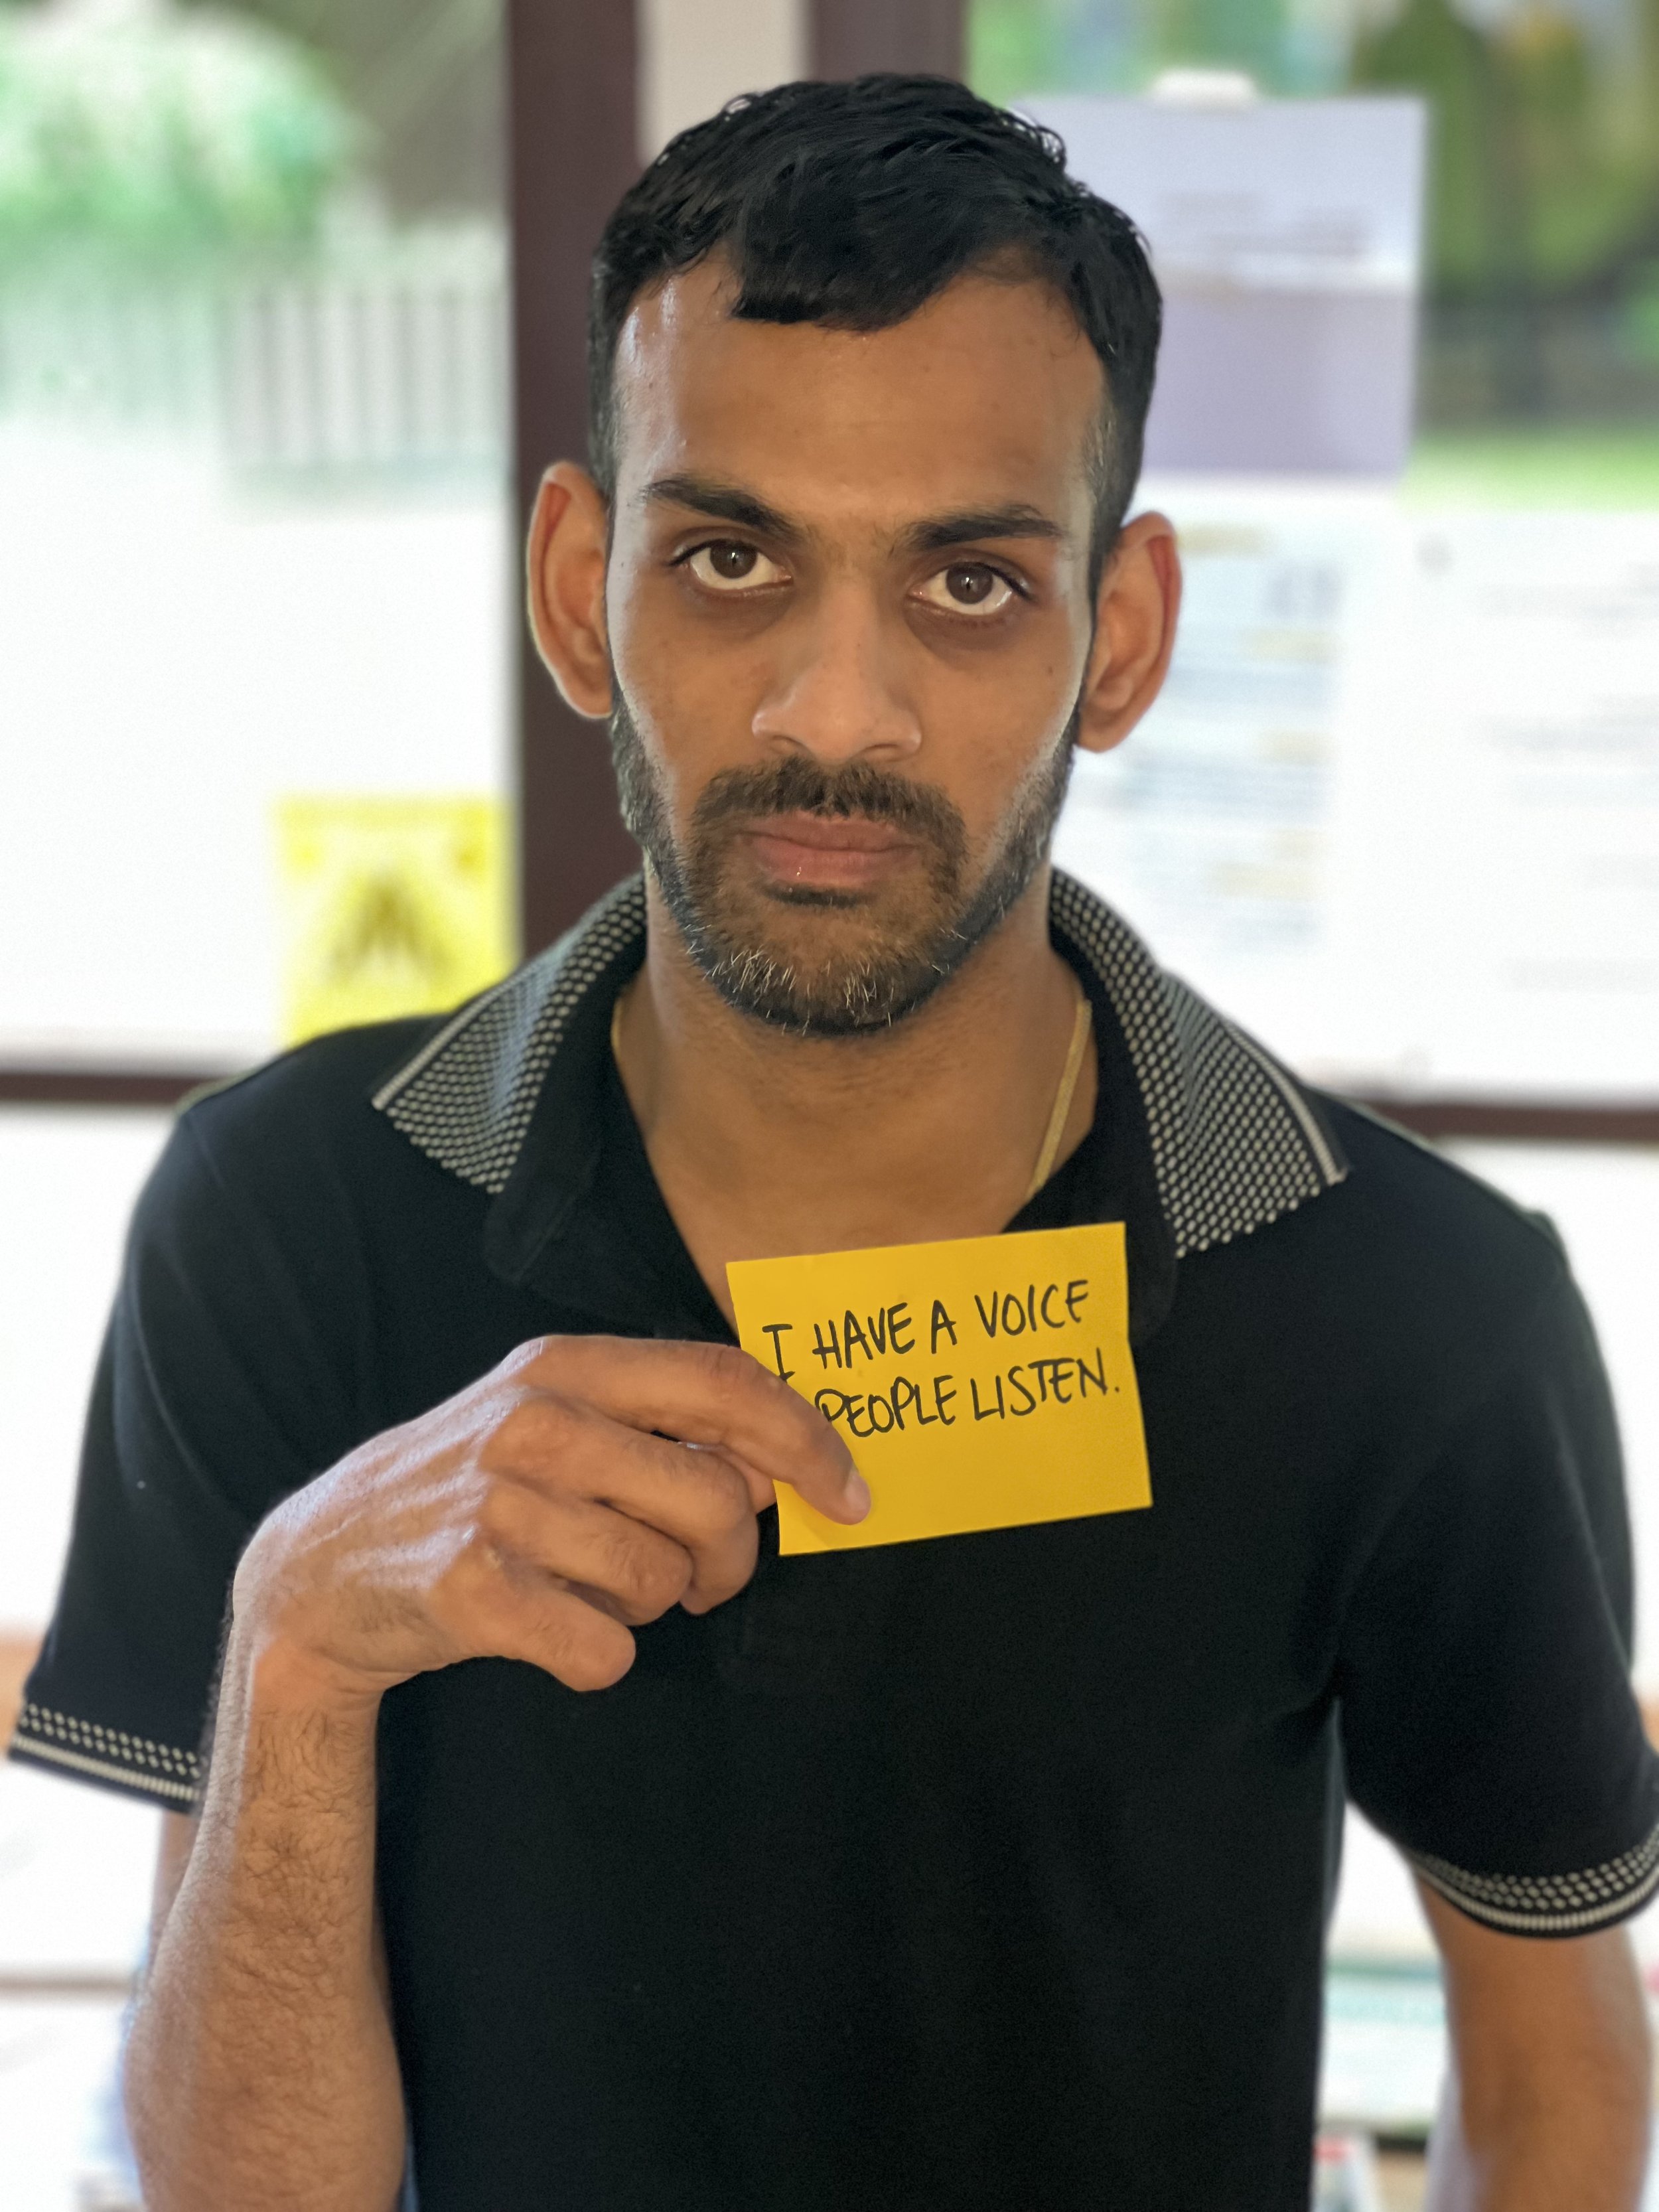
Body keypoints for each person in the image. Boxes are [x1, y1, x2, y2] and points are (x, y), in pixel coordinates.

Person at [10, 74, 1658, 2212]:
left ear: (1122, 635)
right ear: (580, 582)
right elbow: (240, 2189)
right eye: (727, 558)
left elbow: (1551, 2075)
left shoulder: (1413, 1308)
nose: (833, 713)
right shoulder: (290, 1212)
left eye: (967, 585)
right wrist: (300, 1645)